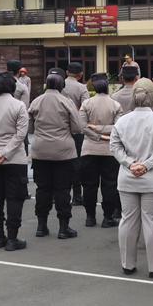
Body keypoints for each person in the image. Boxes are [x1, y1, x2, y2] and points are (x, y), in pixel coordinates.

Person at [110, 80, 153, 278]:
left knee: (128, 220)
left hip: (127, 177)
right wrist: (147, 164)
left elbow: (114, 147)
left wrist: (130, 164)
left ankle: (127, 264)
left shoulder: (122, 121)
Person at [27, 69, 85, 239]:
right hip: (63, 151)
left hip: (40, 151)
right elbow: (77, 128)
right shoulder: (66, 102)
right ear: (62, 86)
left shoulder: (36, 101)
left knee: (42, 189)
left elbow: (29, 127)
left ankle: (41, 226)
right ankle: (63, 227)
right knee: (63, 189)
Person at [0, 73, 30, 252]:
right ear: (12, 87)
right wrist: (5, 154)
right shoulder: (19, 105)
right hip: (15, 159)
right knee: (15, 199)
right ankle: (12, 239)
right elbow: (20, 134)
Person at [80, 72, 123, 229]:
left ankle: (90, 217)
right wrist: (104, 132)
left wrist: (96, 130)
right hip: (109, 150)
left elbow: (82, 126)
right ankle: (107, 217)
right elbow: (118, 127)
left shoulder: (86, 104)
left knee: (89, 185)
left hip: (89, 149)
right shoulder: (115, 105)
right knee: (109, 185)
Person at [62, 61, 90, 206]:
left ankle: (60, 194)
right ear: (80, 74)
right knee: (77, 162)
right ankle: (77, 196)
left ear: (67, 72)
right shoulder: (82, 88)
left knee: (62, 161)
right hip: (77, 128)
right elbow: (86, 107)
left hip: (61, 127)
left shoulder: (59, 85)